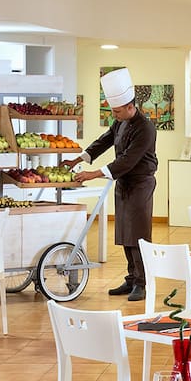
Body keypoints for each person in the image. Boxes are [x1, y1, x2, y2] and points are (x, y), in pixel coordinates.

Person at [69, 67, 158, 301]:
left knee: (138, 234)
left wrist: (94, 174)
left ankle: (142, 282)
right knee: (125, 233)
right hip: (123, 183)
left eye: (118, 111)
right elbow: (104, 141)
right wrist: (79, 158)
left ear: (130, 106)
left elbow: (128, 160)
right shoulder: (120, 122)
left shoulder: (145, 128)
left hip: (140, 184)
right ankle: (131, 279)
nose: (115, 115)